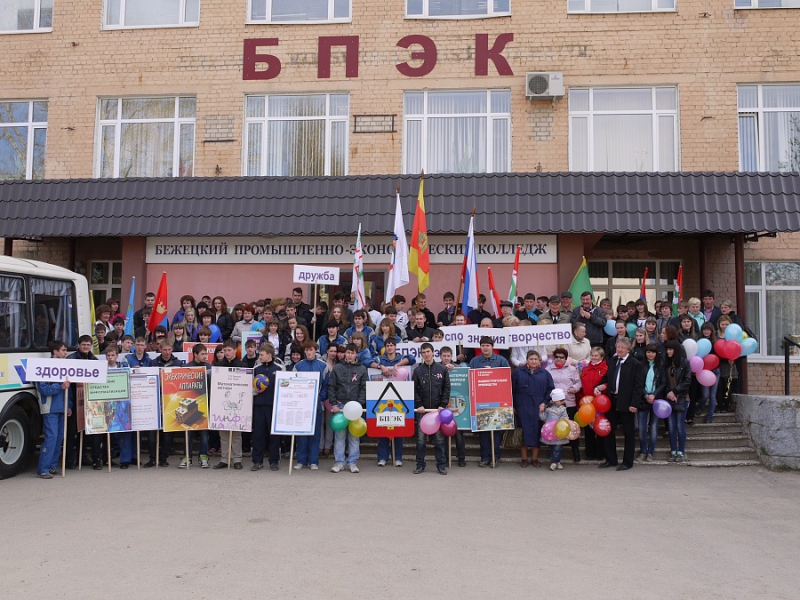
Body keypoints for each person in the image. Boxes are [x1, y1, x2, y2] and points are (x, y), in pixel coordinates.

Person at [600, 337, 644, 471]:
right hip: (612, 401)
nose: (619, 350)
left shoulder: (635, 364)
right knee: (609, 431)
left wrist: (634, 404)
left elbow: (638, 386)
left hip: (627, 402)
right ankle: (611, 459)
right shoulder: (612, 361)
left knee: (628, 433)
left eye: (622, 348)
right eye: (618, 347)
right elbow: (607, 378)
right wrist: (600, 386)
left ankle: (627, 461)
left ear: (628, 349)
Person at [469, 336, 510, 467]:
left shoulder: (501, 360)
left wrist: (493, 373)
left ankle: (495, 456)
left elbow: (507, 379)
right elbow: (470, 379)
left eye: (488, 345)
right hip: (481, 401)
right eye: (483, 345)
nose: (485, 348)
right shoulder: (475, 361)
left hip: (498, 401)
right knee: (483, 432)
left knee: (497, 431)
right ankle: (484, 457)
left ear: (492, 346)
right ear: (480, 347)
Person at [327, 343, 368, 473]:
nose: (350, 355)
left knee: (354, 435)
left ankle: (352, 462)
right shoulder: (338, 368)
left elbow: (364, 388)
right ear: (345, 354)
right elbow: (332, 386)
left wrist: (360, 403)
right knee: (339, 435)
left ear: (356, 354)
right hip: (340, 405)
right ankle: (339, 462)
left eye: (352, 353)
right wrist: (333, 403)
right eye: (348, 353)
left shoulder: (362, 369)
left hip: (355, 406)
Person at [412, 343, 450, 474]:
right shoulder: (417, 371)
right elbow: (414, 390)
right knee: (421, 440)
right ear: (421, 354)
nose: (426, 354)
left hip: (437, 411)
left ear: (433, 352)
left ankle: (441, 465)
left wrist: (442, 405)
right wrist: (418, 405)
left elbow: (446, 389)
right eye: (423, 352)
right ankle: (420, 465)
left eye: (428, 351)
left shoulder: (442, 369)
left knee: (439, 440)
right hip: (422, 411)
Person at [35, 340, 71, 479]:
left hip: (61, 407)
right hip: (50, 407)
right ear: (55, 352)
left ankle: (52, 466)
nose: (65, 352)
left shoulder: (65, 366)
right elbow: (43, 388)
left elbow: (69, 390)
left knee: (59, 438)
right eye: (63, 350)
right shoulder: (45, 367)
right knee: (51, 437)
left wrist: (68, 406)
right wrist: (59, 387)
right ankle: (43, 468)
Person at [511, 350, 554, 468]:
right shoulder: (518, 372)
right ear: (527, 360)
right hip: (522, 406)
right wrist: (514, 405)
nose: (533, 361)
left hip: (538, 407)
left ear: (539, 360)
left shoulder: (545, 373)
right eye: (531, 359)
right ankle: (524, 458)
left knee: (536, 433)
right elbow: (511, 389)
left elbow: (550, 390)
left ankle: (535, 459)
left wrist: (545, 403)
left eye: (536, 359)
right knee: (523, 433)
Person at [145, 341, 184, 468]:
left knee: (168, 432)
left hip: (171, 401)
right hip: (155, 400)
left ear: (172, 349)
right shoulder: (153, 363)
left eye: (169, 349)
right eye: (165, 349)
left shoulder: (178, 363)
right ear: (160, 349)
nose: (167, 352)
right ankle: (152, 458)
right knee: (152, 432)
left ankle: (163, 458)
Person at [292, 341, 329, 470]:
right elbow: (293, 385)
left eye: (311, 350)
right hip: (301, 406)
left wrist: (318, 398)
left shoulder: (323, 366)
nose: (308, 352)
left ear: (315, 351)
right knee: (301, 434)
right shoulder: (298, 366)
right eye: (306, 350)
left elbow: (326, 387)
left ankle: (313, 461)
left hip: (316, 406)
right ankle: (301, 460)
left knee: (315, 435)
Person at [64, 335, 98, 469]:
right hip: (74, 400)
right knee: (71, 432)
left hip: (88, 401)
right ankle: (69, 459)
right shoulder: (71, 359)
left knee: (84, 430)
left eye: (88, 345)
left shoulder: (93, 360)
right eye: (83, 344)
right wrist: (69, 404)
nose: (86, 347)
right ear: (78, 345)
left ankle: (82, 457)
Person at [214, 340, 246, 469]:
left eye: (229, 350)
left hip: (237, 404)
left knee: (236, 433)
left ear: (234, 350)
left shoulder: (242, 365)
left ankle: (237, 459)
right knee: (224, 433)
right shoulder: (219, 366)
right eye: (224, 351)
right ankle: (225, 459)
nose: (226, 353)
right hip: (223, 403)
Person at [546, 347, 582, 462]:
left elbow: (578, 383)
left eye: (561, 357)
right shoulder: (548, 370)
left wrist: (574, 388)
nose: (558, 359)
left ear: (566, 359)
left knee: (571, 428)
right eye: (556, 357)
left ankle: (575, 453)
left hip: (568, 403)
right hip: (553, 405)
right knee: (554, 429)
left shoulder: (572, 369)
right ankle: (554, 455)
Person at [250, 342, 282, 472]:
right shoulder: (256, 368)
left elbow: (283, 386)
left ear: (269, 355)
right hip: (258, 406)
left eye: (262, 355)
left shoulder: (279, 368)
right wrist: (255, 391)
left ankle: (274, 461)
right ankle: (257, 461)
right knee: (258, 434)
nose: (259, 357)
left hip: (273, 406)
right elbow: (250, 387)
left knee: (274, 435)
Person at [663, 340, 692, 463]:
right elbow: (663, 382)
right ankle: (673, 451)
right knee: (671, 427)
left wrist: (675, 392)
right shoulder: (666, 364)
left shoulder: (685, 363)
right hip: (669, 399)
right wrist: (669, 393)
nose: (668, 351)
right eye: (667, 349)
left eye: (671, 349)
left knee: (680, 426)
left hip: (682, 398)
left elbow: (687, 381)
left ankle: (681, 452)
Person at [184, 343, 211, 468]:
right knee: (188, 432)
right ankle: (187, 457)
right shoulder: (187, 367)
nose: (205, 356)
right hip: (190, 404)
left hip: (205, 404)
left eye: (206, 354)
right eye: (202, 354)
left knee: (204, 433)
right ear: (195, 354)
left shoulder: (210, 367)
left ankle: (203, 457)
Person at [637, 344, 664, 463]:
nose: (650, 354)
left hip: (656, 400)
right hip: (643, 399)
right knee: (642, 428)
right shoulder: (640, 365)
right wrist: (646, 395)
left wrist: (654, 395)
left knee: (653, 427)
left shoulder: (660, 366)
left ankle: (650, 452)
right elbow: (638, 383)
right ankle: (643, 451)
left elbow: (663, 383)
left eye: (653, 352)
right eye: (648, 352)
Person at [580, 347, 608, 461]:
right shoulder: (586, 369)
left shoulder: (606, 368)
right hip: (587, 402)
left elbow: (608, 383)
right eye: (592, 355)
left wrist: (603, 389)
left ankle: (600, 453)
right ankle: (590, 453)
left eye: (596, 356)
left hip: (600, 402)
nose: (594, 358)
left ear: (601, 357)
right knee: (588, 429)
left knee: (599, 426)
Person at [541, 388, 569, 471]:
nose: (562, 402)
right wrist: (540, 412)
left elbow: (565, 417)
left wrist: (564, 420)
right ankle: (556, 460)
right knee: (552, 446)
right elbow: (544, 417)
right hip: (550, 431)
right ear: (555, 401)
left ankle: (555, 462)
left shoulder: (563, 409)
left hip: (560, 430)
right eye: (561, 401)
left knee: (558, 446)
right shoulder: (548, 409)